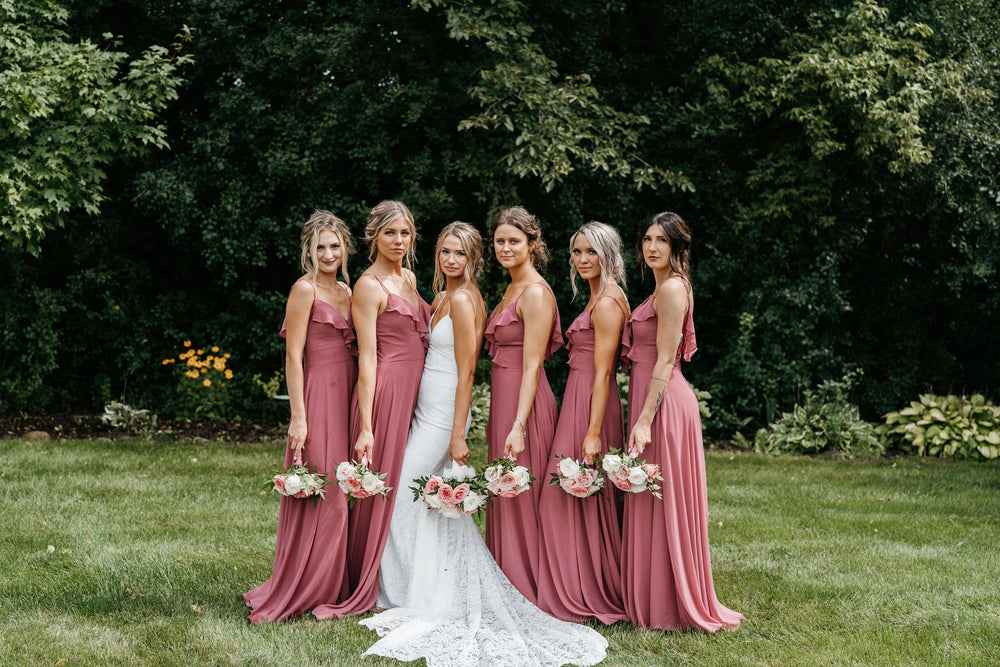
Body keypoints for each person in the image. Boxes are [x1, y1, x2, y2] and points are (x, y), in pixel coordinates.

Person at [360, 223, 607, 667]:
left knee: (405, 495)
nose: (451, 260)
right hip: (426, 405)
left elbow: (468, 371)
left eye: (460, 253)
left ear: (473, 258)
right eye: (444, 252)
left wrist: (457, 432)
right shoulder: (441, 297)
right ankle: (427, 582)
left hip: (442, 414)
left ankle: (415, 590)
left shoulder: (463, 298)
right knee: (427, 496)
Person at [620, 211, 742, 631]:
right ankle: (653, 596)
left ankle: (672, 603)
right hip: (651, 398)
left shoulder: (672, 289)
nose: (652, 247)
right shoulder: (661, 287)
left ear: (676, 248)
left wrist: (644, 420)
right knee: (650, 499)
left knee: (662, 500)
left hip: (663, 404)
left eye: (662, 241)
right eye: (647, 239)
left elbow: (666, 360)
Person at [313, 200, 430, 619]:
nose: (398, 241)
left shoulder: (411, 278)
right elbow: (367, 357)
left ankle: (405, 572)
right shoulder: (368, 285)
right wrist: (365, 425)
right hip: (385, 395)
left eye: (405, 233)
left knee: (407, 482)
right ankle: (369, 578)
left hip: (417, 394)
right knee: (380, 485)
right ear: (373, 237)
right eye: (390, 233)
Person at [244, 211, 356, 623]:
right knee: (327, 492)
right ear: (309, 251)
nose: (328, 253)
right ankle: (308, 588)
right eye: (320, 247)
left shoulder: (348, 290)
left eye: (334, 245)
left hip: (349, 395)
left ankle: (334, 584)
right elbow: (293, 356)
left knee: (345, 485)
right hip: (318, 394)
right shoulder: (303, 290)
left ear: (345, 247)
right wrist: (298, 416)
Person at [536, 221, 630, 625]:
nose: (582, 259)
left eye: (591, 251)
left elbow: (604, 373)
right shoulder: (597, 297)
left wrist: (593, 433)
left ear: (608, 254)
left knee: (570, 495)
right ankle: (576, 581)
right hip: (580, 397)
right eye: (577, 252)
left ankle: (586, 589)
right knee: (573, 495)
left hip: (591, 404)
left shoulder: (608, 303)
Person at [483, 206, 562, 604]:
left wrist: (518, 423)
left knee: (521, 491)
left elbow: (533, 362)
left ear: (532, 244)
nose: (506, 247)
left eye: (514, 240)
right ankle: (504, 580)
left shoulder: (534, 292)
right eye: (500, 241)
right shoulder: (511, 287)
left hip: (524, 405)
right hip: (504, 400)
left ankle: (527, 586)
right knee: (505, 490)